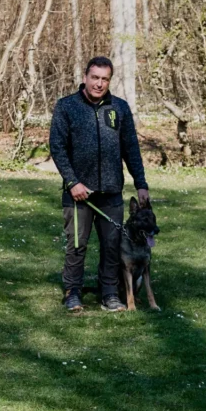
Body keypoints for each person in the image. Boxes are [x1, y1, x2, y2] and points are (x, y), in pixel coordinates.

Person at [49, 56, 149, 313]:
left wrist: (141, 183)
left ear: (109, 81)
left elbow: (132, 149)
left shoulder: (120, 108)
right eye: (95, 77)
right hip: (78, 194)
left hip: (112, 192)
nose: (99, 83)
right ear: (85, 77)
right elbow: (58, 148)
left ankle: (109, 295)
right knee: (76, 246)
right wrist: (72, 182)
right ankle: (73, 292)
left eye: (105, 79)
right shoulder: (66, 107)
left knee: (112, 246)